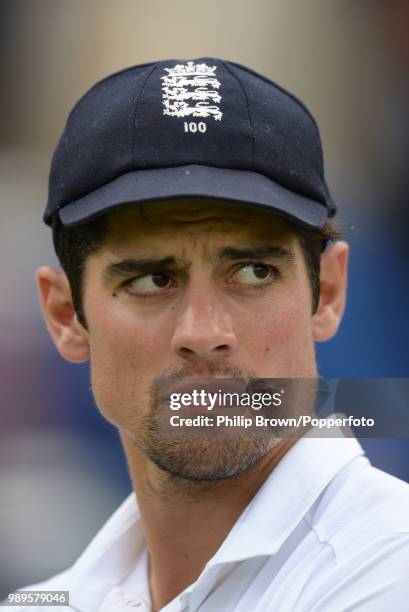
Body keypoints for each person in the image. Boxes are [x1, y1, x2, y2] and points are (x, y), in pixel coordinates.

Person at [13, 58, 409, 611]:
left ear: (330, 293)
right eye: (153, 280)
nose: (203, 333)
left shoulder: (393, 566)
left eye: (253, 272)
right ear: (64, 316)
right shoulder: (45, 602)